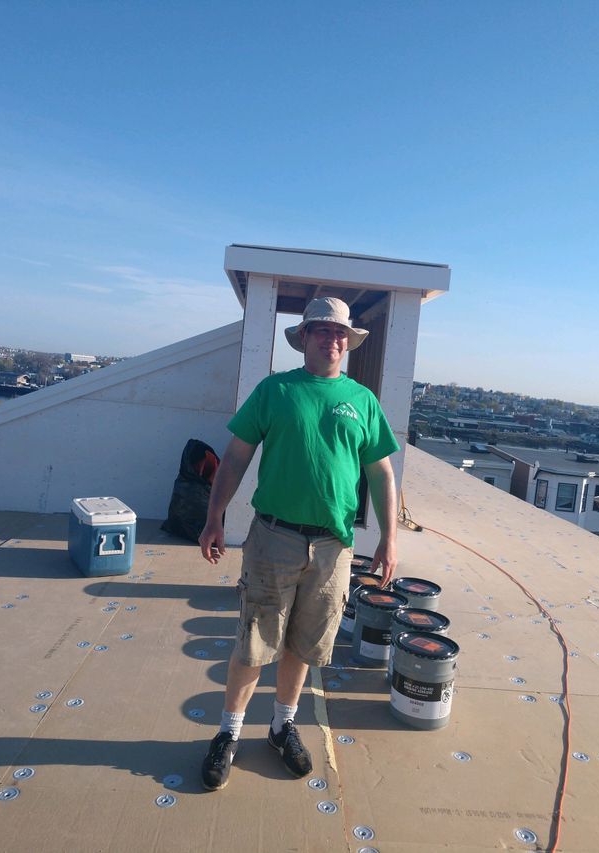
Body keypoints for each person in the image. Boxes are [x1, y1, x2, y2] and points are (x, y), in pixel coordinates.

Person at [198, 296, 399, 791]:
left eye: (340, 335)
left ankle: (282, 725)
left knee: (304, 645)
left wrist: (389, 540)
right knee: (253, 644)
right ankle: (228, 733)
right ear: (304, 337)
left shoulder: (363, 401)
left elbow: (382, 474)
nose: (332, 341)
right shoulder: (276, 391)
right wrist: (214, 517)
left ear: (347, 343)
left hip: (334, 548)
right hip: (274, 538)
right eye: (322, 332)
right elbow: (236, 456)